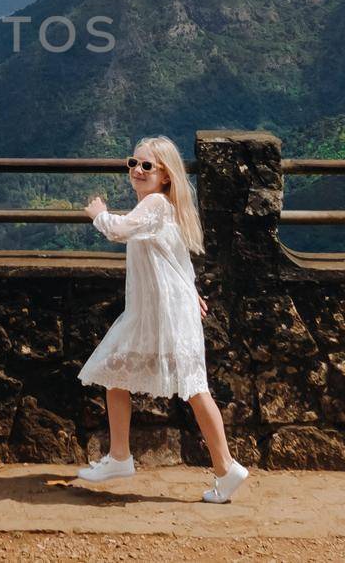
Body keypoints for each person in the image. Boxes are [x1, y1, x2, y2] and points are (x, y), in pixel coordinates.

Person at [76, 135, 248, 504]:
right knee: (121, 371)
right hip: (157, 311)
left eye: (146, 166)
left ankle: (223, 467)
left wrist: (97, 214)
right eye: (132, 163)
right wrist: (193, 292)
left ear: (165, 176)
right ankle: (125, 456)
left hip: (161, 314)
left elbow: (118, 231)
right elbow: (177, 260)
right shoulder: (160, 207)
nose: (137, 170)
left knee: (188, 385)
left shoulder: (154, 203)